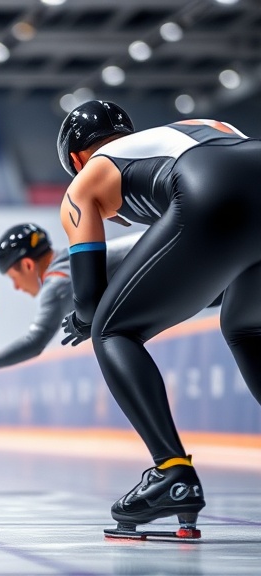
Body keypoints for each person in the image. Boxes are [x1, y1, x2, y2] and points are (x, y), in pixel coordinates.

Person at [55, 100, 261, 539]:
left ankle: (172, 472)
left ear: (76, 159)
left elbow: (91, 301)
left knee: (111, 330)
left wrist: (84, 316)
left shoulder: (86, 180)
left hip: (210, 187)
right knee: (244, 325)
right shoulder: (184, 132)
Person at [0, 224, 142, 375]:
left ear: (28, 265)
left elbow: (34, 342)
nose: (17, 287)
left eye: (14, 278)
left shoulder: (56, 283)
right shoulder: (67, 261)